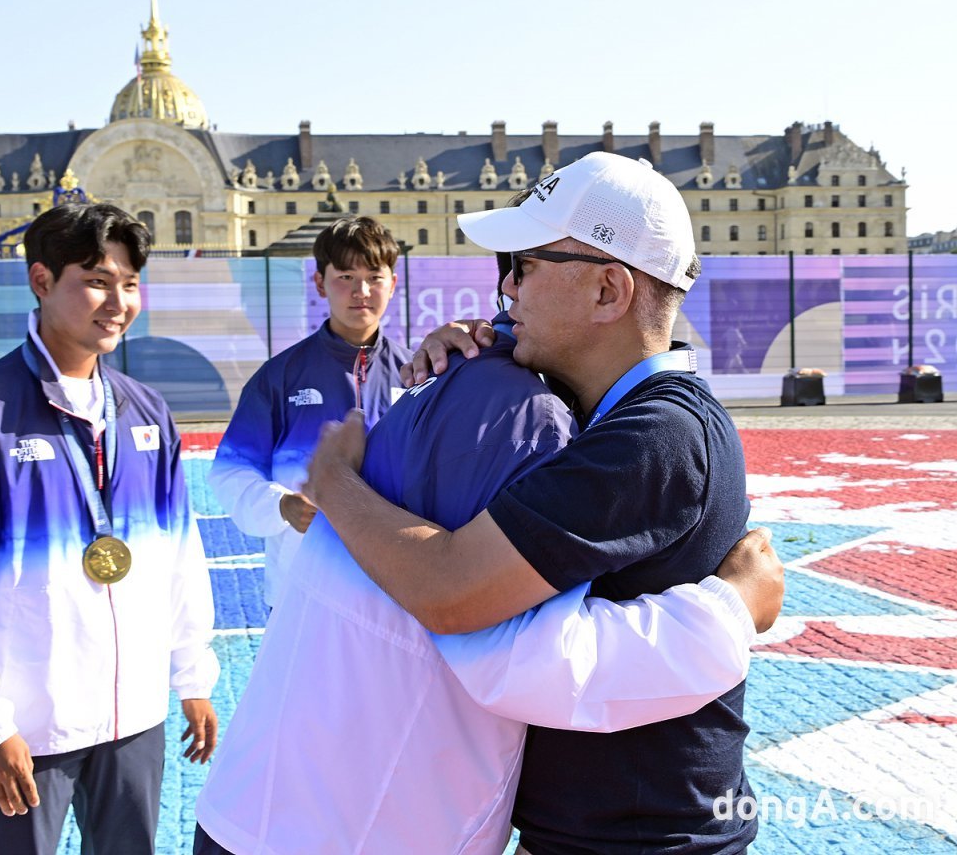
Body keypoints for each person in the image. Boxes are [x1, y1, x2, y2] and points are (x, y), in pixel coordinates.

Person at [192, 173, 783, 853]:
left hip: (646, 839)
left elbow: (456, 601)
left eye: (525, 267)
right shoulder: (595, 405)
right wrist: (495, 341)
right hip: (595, 827)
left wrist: (334, 480)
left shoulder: (656, 436)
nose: (506, 289)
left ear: (607, 290)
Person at [0, 203, 220, 855]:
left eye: (130, 284)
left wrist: (192, 675)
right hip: (26, 732)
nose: (118, 302)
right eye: (97, 280)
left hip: (134, 721)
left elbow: (179, 559)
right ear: (42, 281)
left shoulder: (145, 412)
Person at [208, 216, 412, 608]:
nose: (362, 291)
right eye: (346, 277)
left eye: (374, 276)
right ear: (320, 283)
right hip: (299, 595)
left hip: (393, 592)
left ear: (393, 283)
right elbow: (229, 471)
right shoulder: (280, 377)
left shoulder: (415, 375)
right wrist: (281, 506)